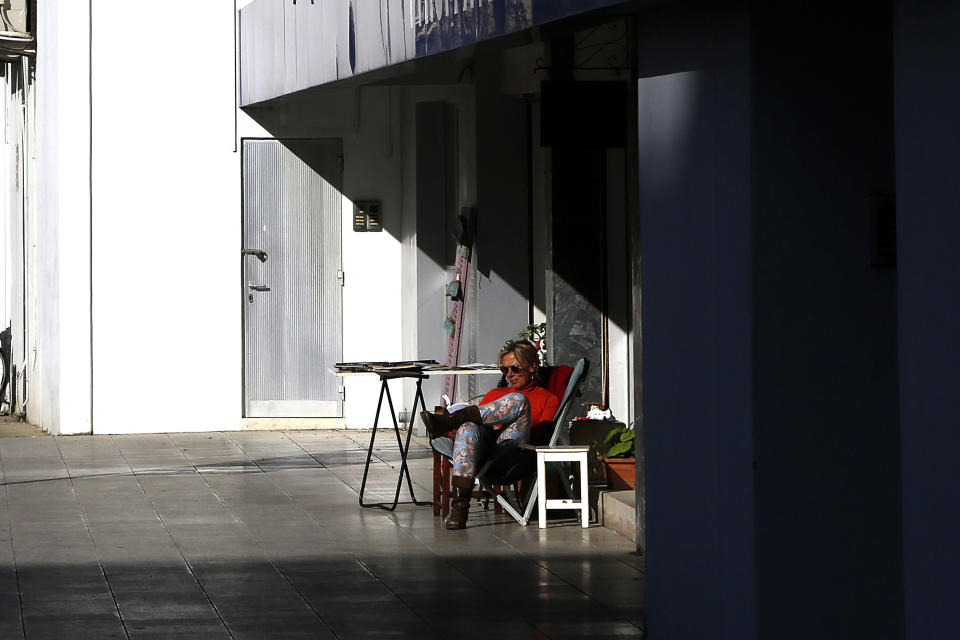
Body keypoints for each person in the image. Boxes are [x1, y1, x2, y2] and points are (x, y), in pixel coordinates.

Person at [420, 341, 559, 530]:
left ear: (532, 366)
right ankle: (459, 510)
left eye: (515, 368)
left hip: (515, 452)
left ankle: (449, 419)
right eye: (505, 369)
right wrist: (460, 432)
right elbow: (475, 431)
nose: (509, 374)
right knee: (468, 426)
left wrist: (511, 420)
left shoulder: (548, 398)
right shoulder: (495, 393)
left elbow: (542, 434)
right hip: (486, 453)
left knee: (519, 400)